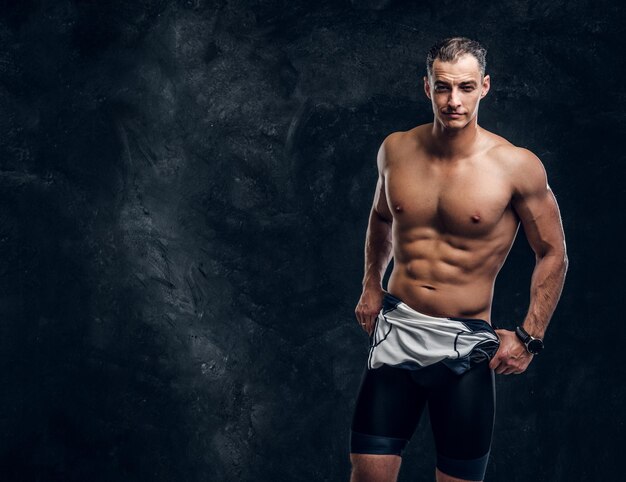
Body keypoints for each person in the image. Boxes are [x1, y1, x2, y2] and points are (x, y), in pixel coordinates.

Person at [348, 37, 568, 482]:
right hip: (397, 333)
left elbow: (554, 252)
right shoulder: (395, 149)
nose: (454, 101)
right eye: (443, 87)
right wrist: (372, 284)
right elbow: (379, 217)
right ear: (426, 88)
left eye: (465, 87)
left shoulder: (516, 166)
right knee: (367, 475)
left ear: (484, 87)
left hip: (465, 348)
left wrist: (530, 336)